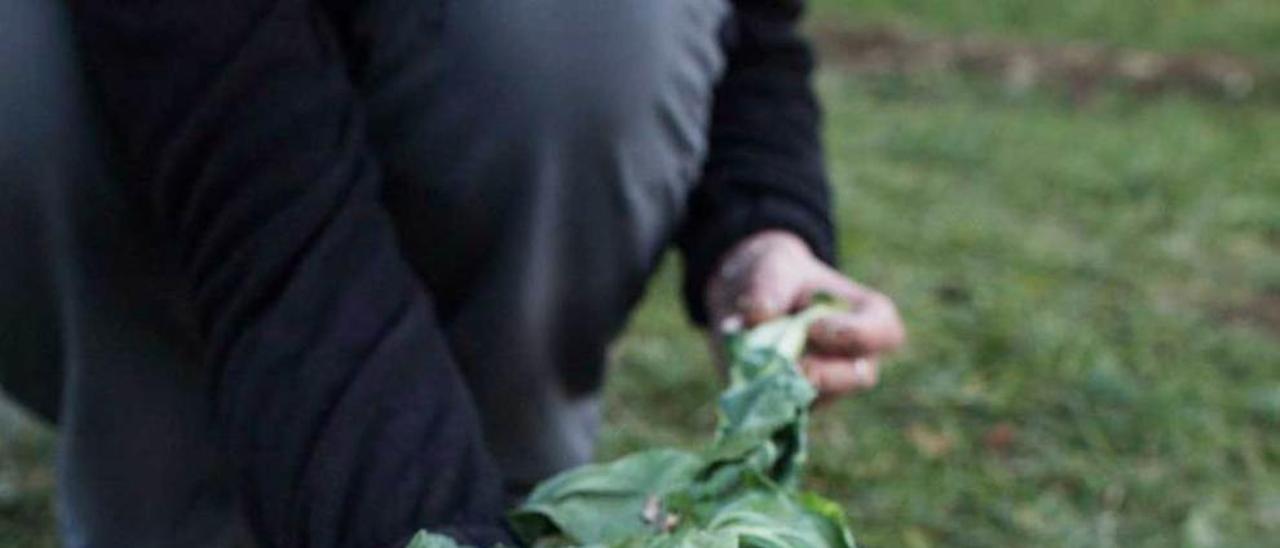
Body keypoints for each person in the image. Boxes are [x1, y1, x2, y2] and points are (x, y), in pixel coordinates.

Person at [0, 0, 905, 546]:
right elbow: (266, 197)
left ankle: (514, 478)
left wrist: (760, 225)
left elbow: (749, 26)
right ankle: (170, 501)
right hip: (191, 96)